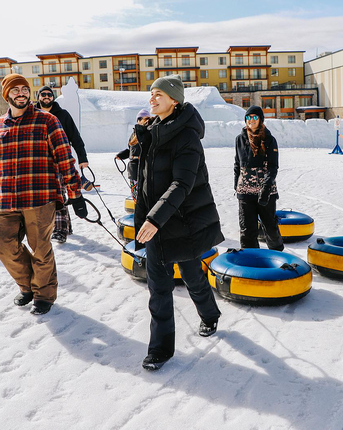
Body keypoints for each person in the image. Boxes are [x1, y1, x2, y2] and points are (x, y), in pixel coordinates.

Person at [0, 73, 88, 316]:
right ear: (7, 95)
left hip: (39, 198)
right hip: (6, 199)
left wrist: (75, 194)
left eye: (24, 89)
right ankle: (28, 285)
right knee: (1, 243)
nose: (21, 93)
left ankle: (43, 293)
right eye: (15, 90)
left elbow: (65, 158)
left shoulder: (47, 121)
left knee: (40, 249)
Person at [134, 74, 223, 371]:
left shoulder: (186, 136)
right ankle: (159, 350)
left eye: (159, 94)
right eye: (151, 94)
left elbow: (182, 184)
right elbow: (148, 175)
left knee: (193, 277)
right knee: (158, 289)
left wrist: (155, 219)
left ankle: (210, 316)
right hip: (157, 224)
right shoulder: (155, 129)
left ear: (175, 100)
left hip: (181, 222)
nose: (152, 99)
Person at [34, 85, 89, 244]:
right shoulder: (32, 115)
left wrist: (82, 158)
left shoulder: (63, 115)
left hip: (61, 161)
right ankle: (66, 226)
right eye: (43, 94)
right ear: (38, 97)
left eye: (49, 95)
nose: (46, 97)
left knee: (57, 195)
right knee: (55, 196)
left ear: (53, 97)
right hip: (40, 164)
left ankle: (60, 230)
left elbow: (76, 138)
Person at [234, 105, 284, 251]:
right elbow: (237, 163)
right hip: (245, 190)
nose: (251, 120)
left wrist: (266, 188)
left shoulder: (269, 139)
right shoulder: (240, 139)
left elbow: (273, 166)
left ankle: (278, 257)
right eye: (248, 117)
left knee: (270, 227)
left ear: (261, 119)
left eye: (255, 117)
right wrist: (236, 184)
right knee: (246, 229)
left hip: (265, 191)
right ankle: (251, 259)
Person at [115, 108, 151, 201]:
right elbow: (131, 150)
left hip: (144, 167)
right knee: (135, 193)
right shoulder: (133, 134)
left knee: (145, 193)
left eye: (145, 118)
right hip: (133, 168)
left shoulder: (149, 133)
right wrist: (121, 155)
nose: (142, 121)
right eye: (139, 118)